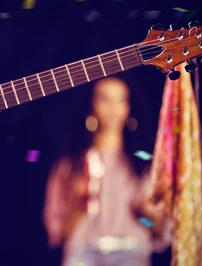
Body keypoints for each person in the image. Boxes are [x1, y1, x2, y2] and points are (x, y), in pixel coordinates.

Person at [42, 77, 172, 266]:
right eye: (105, 99)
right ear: (92, 104)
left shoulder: (143, 165)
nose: (113, 109)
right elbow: (57, 232)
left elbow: (161, 232)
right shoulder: (72, 165)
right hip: (83, 251)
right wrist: (78, 204)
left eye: (121, 100)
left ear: (129, 107)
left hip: (131, 251)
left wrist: (149, 215)